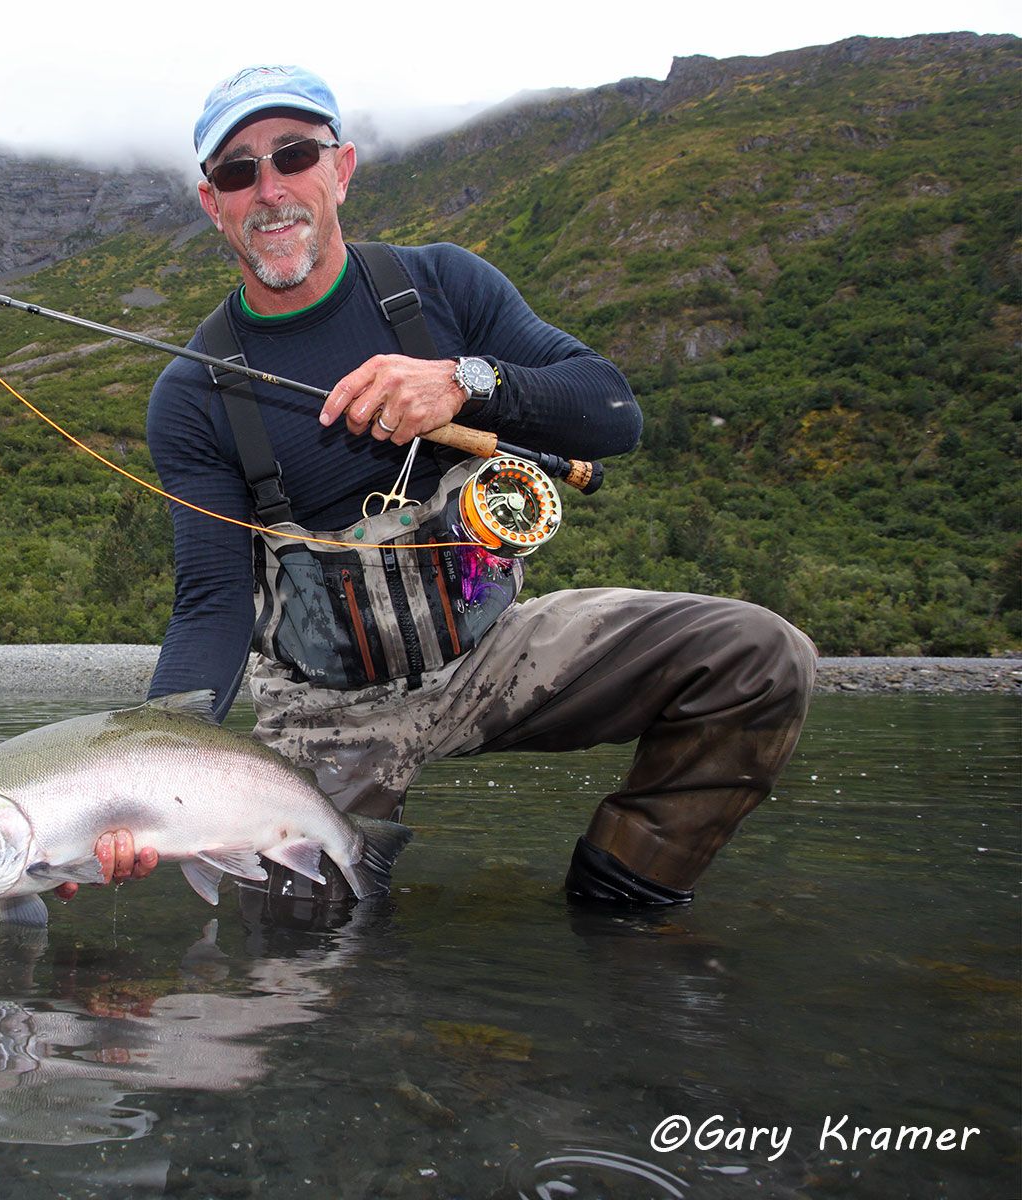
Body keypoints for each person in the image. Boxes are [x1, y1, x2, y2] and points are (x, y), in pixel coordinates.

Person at [59, 65, 815, 911]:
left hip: (494, 652)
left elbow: (613, 413)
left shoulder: (445, 284)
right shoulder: (191, 395)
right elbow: (211, 604)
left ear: (341, 168)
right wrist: (142, 784)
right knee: (299, 955)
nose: (270, 190)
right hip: (326, 708)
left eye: (294, 155)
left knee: (758, 657)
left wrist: (468, 382)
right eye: (239, 171)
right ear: (213, 203)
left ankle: (619, 913)